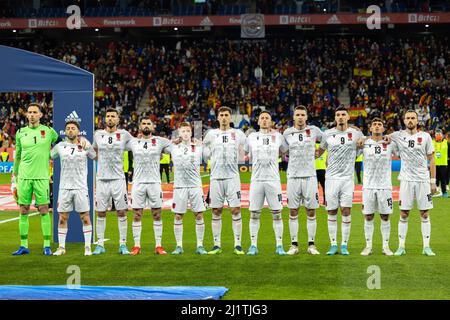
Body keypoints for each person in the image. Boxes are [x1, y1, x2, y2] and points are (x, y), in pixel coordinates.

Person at [11, 103, 59, 256]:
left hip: (41, 177)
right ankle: (23, 245)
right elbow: (17, 156)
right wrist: (14, 175)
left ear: (40, 115)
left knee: (44, 210)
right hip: (24, 177)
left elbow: (60, 144)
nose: (31, 115)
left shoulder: (49, 131)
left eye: (35, 112)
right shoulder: (20, 132)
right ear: (26, 115)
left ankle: (46, 246)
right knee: (23, 210)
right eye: (29, 112)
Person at [316, 106, 364, 255]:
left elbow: (363, 147)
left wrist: (354, 156)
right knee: (331, 210)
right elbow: (320, 152)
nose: (341, 117)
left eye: (343, 114)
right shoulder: (328, 134)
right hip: (331, 178)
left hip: (347, 179)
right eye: (338, 115)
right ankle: (333, 244)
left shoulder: (356, 133)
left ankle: (344, 245)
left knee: (346, 210)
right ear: (335, 118)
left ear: (348, 117)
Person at [390, 110, 436, 256]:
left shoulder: (425, 136)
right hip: (406, 180)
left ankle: (426, 247)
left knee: (425, 213)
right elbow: (382, 136)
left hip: (423, 180)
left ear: (417, 121)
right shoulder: (398, 135)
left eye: (413, 118)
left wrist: (433, 181)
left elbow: (432, 159)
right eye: (407, 118)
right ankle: (401, 247)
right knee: (403, 213)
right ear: (404, 121)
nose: (410, 120)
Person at [202, 106, 247, 255]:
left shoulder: (238, 134)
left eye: (226, 115)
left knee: (235, 210)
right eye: (221, 115)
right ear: (217, 118)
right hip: (215, 177)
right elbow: (204, 150)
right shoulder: (211, 134)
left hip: (233, 178)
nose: (224, 117)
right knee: (216, 210)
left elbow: (248, 148)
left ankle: (238, 244)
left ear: (230, 117)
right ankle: (216, 245)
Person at [244, 111, 288, 255]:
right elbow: (245, 152)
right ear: (258, 122)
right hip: (256, 180)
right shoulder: (251, 137)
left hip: (273, 180)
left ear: (271, 121)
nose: (264, 120)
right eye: (261, 118)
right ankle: (253, 245)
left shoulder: (278, 137)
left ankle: (279, 245)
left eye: (267, 118)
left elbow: (285, 151)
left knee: (276, 214)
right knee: (254, 214)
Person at [125, 118, 172, 255]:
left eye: (148, 124)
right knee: (137, 214)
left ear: (153, 127)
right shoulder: (133, 142)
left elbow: (173, 147)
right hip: (138, 183)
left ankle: (158, 245)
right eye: (144, 124)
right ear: (140, 126)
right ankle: (136, 246)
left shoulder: (160, 141)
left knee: (157, 214)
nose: (146, 126)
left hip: (154, 183)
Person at [51, 120, 96, 256]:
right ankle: (61, 248)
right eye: (68, 128)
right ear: (65, 132)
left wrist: (89, 146)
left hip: (81, 188)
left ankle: (87, 248)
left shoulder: (85, 144)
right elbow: (48, 156)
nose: (70, 130)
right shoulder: (60, 146)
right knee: (62, 218)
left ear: (78, 131)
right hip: (64, 188)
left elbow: (96, 156)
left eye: (73, 128)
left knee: (85, 217)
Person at [92, 108, 133, 255]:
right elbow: (93, 152)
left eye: (113, 116)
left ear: (118, 119)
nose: (110, 118)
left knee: (121, 212)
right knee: (101, 212)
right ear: (104, 119)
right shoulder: (98, 134)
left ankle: (123, 244)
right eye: (108, 116)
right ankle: (100, 244)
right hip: (102, 179)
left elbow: (137, 146)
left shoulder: (124, 134)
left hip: (118, 179)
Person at [282, 106, 322, 255]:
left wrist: (320, 152)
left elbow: (326, 140)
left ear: (306, 117)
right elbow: (283, 149)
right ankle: (294, 245)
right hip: (292, 176)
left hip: (310, 176)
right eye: (297, 114)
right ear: (293, 117)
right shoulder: (287, 133)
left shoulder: (314, 130)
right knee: (293, 210)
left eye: (302, 115)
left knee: (311, 211)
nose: (300, 117)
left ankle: (311, 245)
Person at [166, 122, 208, 255]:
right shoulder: (173, 146)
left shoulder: (199, 147)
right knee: (178, 216)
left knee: (199, 214)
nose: (185, 133)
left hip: (195, 185)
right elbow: (159, 145)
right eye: (183, 131)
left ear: (191, 133)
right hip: (179, 186)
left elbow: (210, 150)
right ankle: (179, 246)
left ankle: (200, 246)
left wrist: (202, 143)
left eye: (188, 131)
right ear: (179, 133)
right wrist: (172, 141)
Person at [359, 118, 396, 256]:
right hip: (368, 186)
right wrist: (362, 138)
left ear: (383, 128)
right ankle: (368, 246)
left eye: (379, 125)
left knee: (385, 216)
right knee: (368, 216)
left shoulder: (389, 143)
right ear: (370, 128)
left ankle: (385, 246)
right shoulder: (364, 143)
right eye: (374, 124)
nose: (376, 126)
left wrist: (391, 137)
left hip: (385, 186)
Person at [433, 129, 448, 198]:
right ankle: (434, 191)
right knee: (434, 179)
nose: (438, 135)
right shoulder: (432, 142)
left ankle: (444, 192)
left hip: (443, 164)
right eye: (437, 134)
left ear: (442, 135)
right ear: (435, 135)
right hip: (434, 164)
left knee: (443, 179)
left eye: (439, 134)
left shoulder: (446, 142)